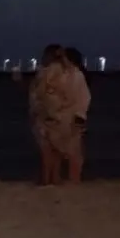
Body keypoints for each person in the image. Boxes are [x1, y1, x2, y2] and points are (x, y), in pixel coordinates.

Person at [30, 45, 90, 185]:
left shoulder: (75, 75)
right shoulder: (61, 73)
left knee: (68, 153)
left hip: (65, 118)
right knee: (54, 151)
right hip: (56, 117)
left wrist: (79, 117)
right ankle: (53, 180)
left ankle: (68, 181)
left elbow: (82, 98)